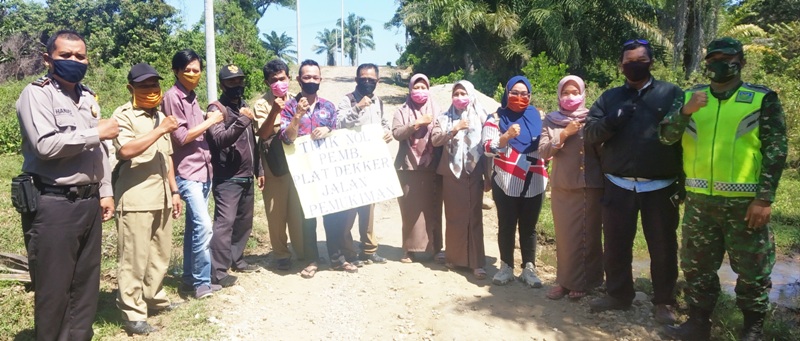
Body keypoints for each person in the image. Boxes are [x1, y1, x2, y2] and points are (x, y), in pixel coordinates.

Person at [661, 37, 788, 340]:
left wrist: (765, 198)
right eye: (713, 57)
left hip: (745, 204)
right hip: (700, 202)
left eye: (727, 57)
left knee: (753, 271)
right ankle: (697, 323)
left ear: (741, 62)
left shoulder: (761, 98)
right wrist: (685, 112)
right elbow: (666, 137)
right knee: (697, 267)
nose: (719, 63)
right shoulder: (691, 97)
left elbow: (776, 150)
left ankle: (752, 330)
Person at [15, 30, 117, 340]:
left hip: (88, 202)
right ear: (48, 59)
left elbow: (100, 151)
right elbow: (45, 145)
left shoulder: (87, 96)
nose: (74, 61)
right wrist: (95, 133)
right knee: (54, 288)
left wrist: (105, 191)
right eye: (66, 55)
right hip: (53, 202)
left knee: (85, 284)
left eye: (80, 56)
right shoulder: (37, 94)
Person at [583, 39, 683, 324]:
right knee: (615, 245)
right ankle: (618, 294)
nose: (633, 65)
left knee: (663, 247)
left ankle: (664, 301)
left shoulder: (671, 93)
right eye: (628, 62)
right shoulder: (609, 98)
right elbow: (589, 134)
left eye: (640, 60)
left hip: (660, 185)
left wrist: (683, 183)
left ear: (651, 62)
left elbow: (685, 138)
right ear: (621, 66)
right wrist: (611, 122)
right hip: (618, 183)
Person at [112, 63, 182, 335]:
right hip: (135, 198)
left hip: (162, 196)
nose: (151, 90)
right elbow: (126, 150)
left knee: (159, 255)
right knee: (134, 257)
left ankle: (154, 298)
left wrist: (174, 191)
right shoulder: (124, 115)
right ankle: (132, 312)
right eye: (144, 86)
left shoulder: (160, 116)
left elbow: (167, 158)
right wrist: (160, 130)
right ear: (131, 88)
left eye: (154, 84)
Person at [163, 49, 225, 299]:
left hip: (203, 170)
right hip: (186, 171)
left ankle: (190, 279)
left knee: (193, 229)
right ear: (176, 71)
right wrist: (210, 121)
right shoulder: (172, 97)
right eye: (187, 70)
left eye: (196, 70)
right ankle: (202, 282)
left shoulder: (192, 97)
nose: (192, 74)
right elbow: (180, 137)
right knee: (204, 226)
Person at [539, 75, 604, 300]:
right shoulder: (551, 120)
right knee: (565, 236)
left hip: (590, 185)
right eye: (565, 92)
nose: (570, 97)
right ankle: (565, 282)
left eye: (574, 92)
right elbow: (544, 151)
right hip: (562, 186)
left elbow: (603, 151)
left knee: (588, 235)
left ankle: (586, 282)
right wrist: (565, 133)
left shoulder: (593, 118)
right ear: (559, 95)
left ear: (583, 94)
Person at [481, 76, 548, 287]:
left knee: (529, 227)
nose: (519, 97)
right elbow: (486, 148)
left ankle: (529, 268)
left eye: (524, 94)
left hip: (535, 180)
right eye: (514, 93)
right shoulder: (495, 118)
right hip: (505, 181)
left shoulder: (539, 117)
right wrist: (505, 137)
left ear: (530, 95)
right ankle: (506, 267)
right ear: (506, 93)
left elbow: (547, 145)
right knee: (506, 225)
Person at [279, 59, 338, 278]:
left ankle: (337, 257)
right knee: (308, 218)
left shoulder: (329, 107)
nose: (311, 81)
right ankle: (312, 259)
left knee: (333, 215)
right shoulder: (289, 107)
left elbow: (339, 134)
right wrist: (298, 116)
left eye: (315, 77)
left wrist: (327, 131)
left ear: (320, 80)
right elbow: (287, 138)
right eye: (307, 77)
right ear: (298, 80)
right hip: (303, 172)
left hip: (327, 170)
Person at [206, 64, 264, 288]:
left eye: (239, 81)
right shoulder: (216, 108)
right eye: (231, 82)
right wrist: (243, 120)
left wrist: (259, 170)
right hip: (227, 178)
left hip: (247, 176)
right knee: (225, 224)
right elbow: (220, 139)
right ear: (222, 84)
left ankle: (236, 259)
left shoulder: (244, 106)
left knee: (243, 222)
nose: (237, 85)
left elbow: (252, 143)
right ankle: (218, 272)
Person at [332, 63, 392, 266]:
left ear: (378, 81)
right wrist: (358, 108)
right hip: (350, 164)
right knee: (349, 209)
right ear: (356, 80)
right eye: (363, 79)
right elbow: (338, 123)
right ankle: (348, 251)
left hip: (371, 164)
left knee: (368, 208)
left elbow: (383, 123)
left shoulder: (379, 102)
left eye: (372, 80)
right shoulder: (347, 100)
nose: (367, 82)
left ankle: (368, 249)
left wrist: (387, 132)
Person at [431, 80, 488, 280]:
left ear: (471, 94)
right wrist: (454, 129)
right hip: (451, 174)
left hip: (473, 173)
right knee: (454, 216)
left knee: (473, 217)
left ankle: (476, 263)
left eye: (463, 93)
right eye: (456, 94)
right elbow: (435, 140)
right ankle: (454, 257)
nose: (459, 97)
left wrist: (489, 177)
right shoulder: (444, 117)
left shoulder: (482, 116)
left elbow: (489, 146)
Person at [253, 59, 301, 271]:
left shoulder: (298, 100)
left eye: (282, 78)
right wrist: (274, 111)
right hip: (274, 163)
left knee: (298, 211)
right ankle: (281, 254)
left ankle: (302, 251)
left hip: (297, 162)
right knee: (276, 212)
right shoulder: (261, 104)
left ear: (289, 78)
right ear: (267, 82)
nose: (279, 83)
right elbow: (262, 134)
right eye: (274, 80)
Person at [392, 73, 444, 263]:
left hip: (433, 166)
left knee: (434, 207)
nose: (420, 91)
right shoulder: (401, 111)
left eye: (423, 87)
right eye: (416, 87)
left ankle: (437, 248)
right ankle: (409, 249)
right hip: (408, 166)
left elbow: (442, 134)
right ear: (410, 89)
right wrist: (415, 124)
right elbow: (397, 133)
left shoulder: (438, 110)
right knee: (409, 208)